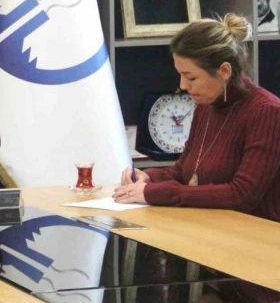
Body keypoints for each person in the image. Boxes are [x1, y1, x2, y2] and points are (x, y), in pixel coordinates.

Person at [114, 13, 280, 221]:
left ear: (224, 71)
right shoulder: (206, 104)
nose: (183, 85)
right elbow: (183, 172)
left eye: (191, 77)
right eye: (180, 74)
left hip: (256, 235)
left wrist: (154, 193)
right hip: (210, 228)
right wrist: (150, 177)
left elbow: (242, 195)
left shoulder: (267, 112)